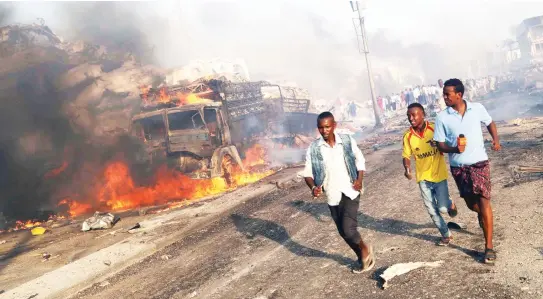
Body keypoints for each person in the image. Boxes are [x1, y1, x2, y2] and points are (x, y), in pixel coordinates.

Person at [433, 78, 501, 264]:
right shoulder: (442, 117)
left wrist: (495, 140)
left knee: (485, 202)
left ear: (459, 95)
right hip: (459, 167)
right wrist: (454, 149)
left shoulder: (477, 108)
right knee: (472, 205)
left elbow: (490, 123)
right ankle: (482, 215)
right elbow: (439, 144)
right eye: (444, 94)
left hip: (480, 163)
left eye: (448, 94)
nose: (444, 97)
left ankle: (489, 247)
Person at [303, 111, 375, 273]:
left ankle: (364, 248)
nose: (324, 131)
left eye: (327, 127)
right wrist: (314, 187)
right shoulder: (314, 148)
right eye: (321, 128)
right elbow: (307, 173)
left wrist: (359, 180)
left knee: (348, 228)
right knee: (343, 232)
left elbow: (360, 160)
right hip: (332, 193)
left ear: (334, 126)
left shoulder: (347, 141)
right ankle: (362, 256)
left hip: (350, 189)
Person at [402, 103, 458, 246]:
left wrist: (439, 145)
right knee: (432, 210)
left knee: (443, 209)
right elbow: (406, 156)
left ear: (423, 114)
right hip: (423, 178)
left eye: (414, 115)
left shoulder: (434, 128)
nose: (411, 118)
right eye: (409, 115)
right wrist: (407, 169)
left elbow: (447, 144)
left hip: (439, 175)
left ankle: (449, 203)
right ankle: (446, 235)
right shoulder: (408, 136)